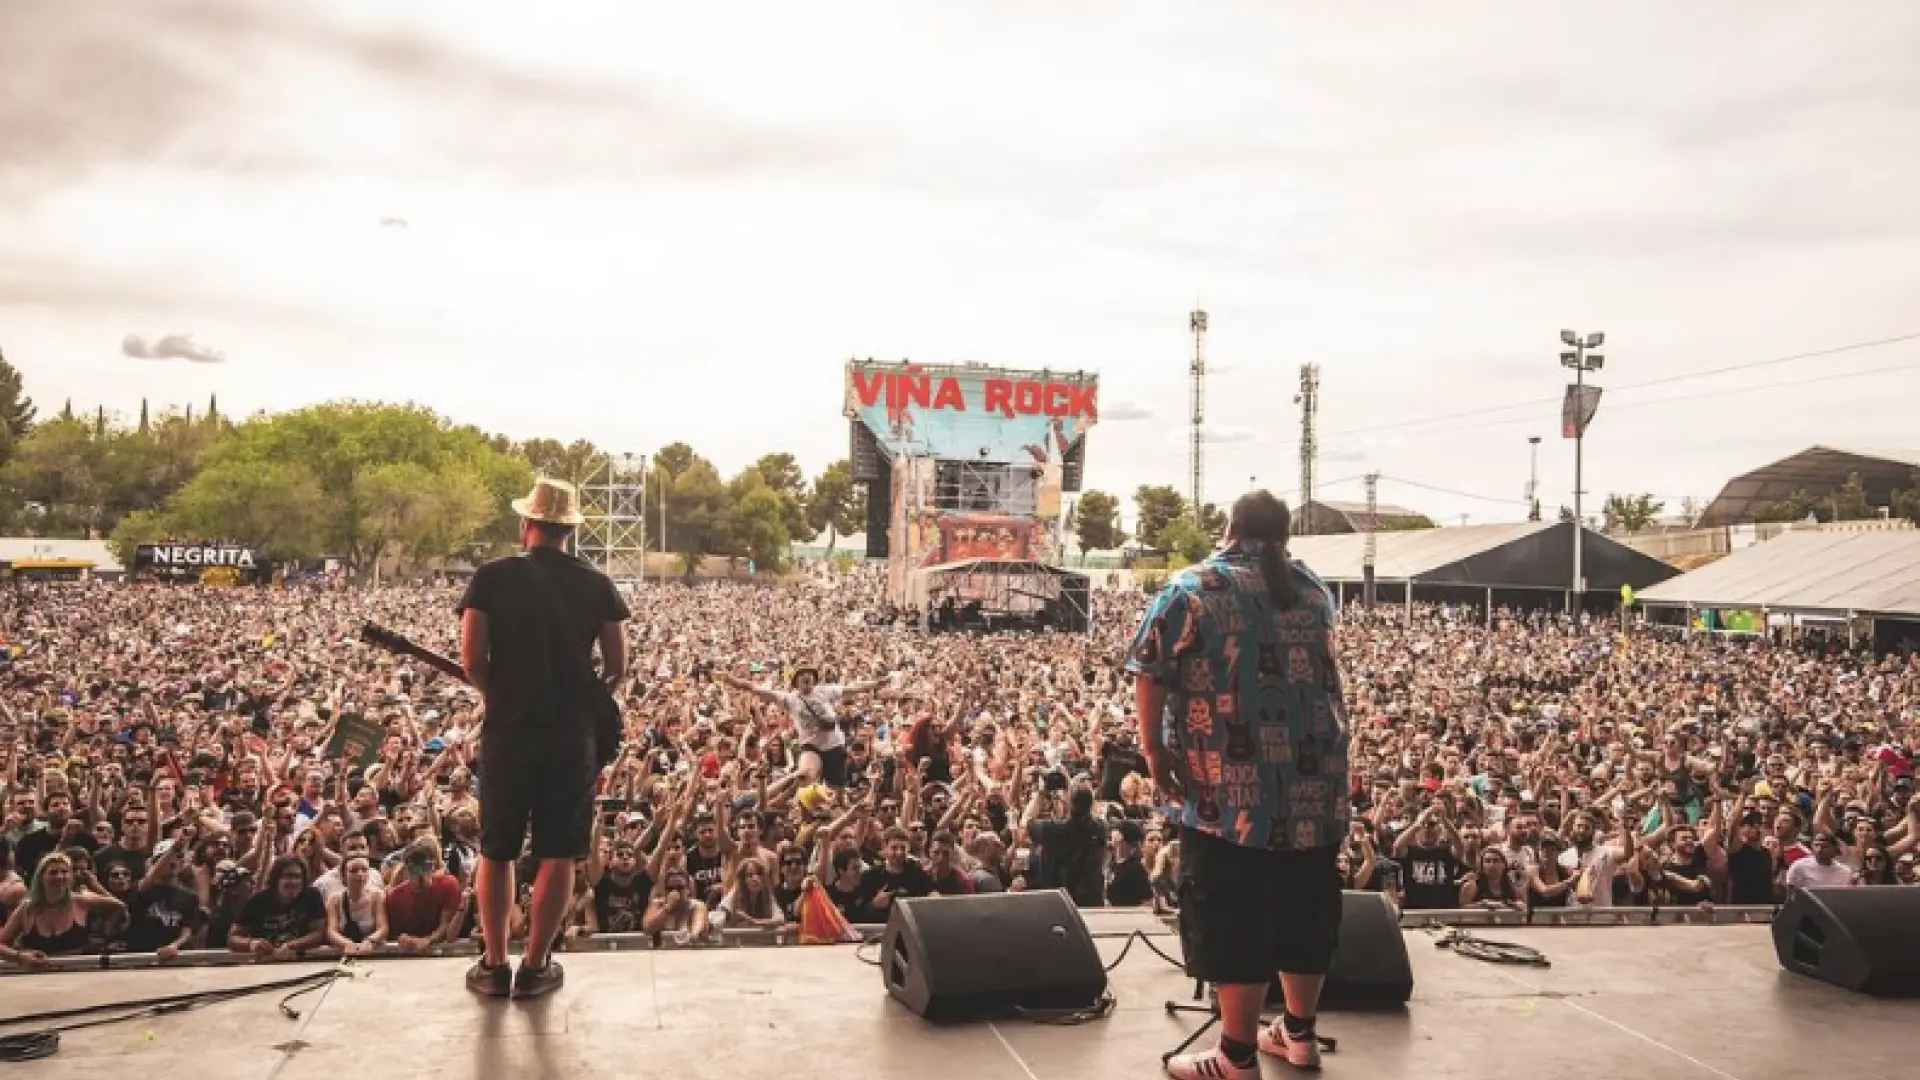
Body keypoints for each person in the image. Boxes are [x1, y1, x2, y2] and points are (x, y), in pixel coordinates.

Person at [1127, 491, 1351, 1078]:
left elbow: (1149, 671)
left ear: (1227, 526)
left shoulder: (1191, 589)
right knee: (1306, 906)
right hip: (1316, 782)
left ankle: (1236, 1056)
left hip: (1228, 789)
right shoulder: (1314, 591)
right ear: (1283, 535)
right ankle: (1298, 1035)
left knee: (1234, 912)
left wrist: (1154, 749)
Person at [458, 478, 631, 999]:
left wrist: (502, 694)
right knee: (559, 851)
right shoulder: (597, 583)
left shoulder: (491, 578)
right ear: (570, 531)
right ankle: (535, 966)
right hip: (569, 734)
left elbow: (471, 661)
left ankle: (492, 964)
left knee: (497, 849)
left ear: (526, 524)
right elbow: (617, 666)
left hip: (509, 731)